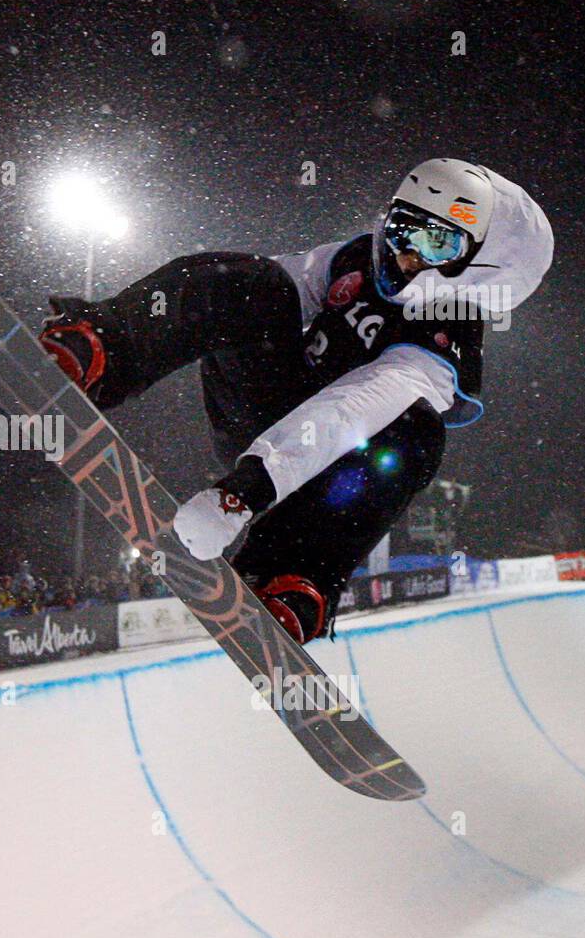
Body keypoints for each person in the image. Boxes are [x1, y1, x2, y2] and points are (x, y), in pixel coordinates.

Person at [40, 159, 553, 643]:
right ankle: (108, 347)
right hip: (262, 411)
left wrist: (248, 490)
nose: (407, 256)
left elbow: (356, 406)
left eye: (436, 243)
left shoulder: (448, 332)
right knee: (259, 283)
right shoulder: (355, 257)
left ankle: (292, 572)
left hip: (330, 471)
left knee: (416, 433)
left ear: (472, 259)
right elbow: (262, 290)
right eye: (403, 230)